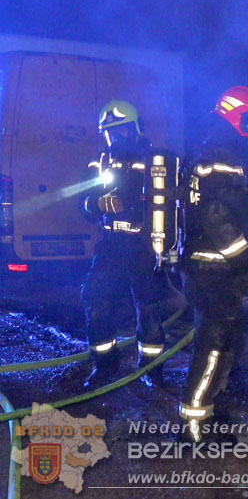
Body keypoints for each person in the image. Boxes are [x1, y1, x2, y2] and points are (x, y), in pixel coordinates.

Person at [177, 86, 248, 442]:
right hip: (214, 269)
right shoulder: (221, 159)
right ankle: (193, 426)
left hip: (213, 269)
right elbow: (216, 218)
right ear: (241, 119)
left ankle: (210, 411)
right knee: (213, 342)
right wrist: (245, 261)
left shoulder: (214, 154)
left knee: (228, 340)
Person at [81, 100, 171, 389]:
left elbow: (169, 204)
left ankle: (152, 369)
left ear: (135, 130)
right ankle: (105, 365)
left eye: (121, 132)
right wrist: (96, 203)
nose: (115, 140)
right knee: (95, 297)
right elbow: (82, 204)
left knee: (149, 309)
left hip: (144, 245)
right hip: (111, 244)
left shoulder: (154, 162)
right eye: (109, 134)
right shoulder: (100, 164)